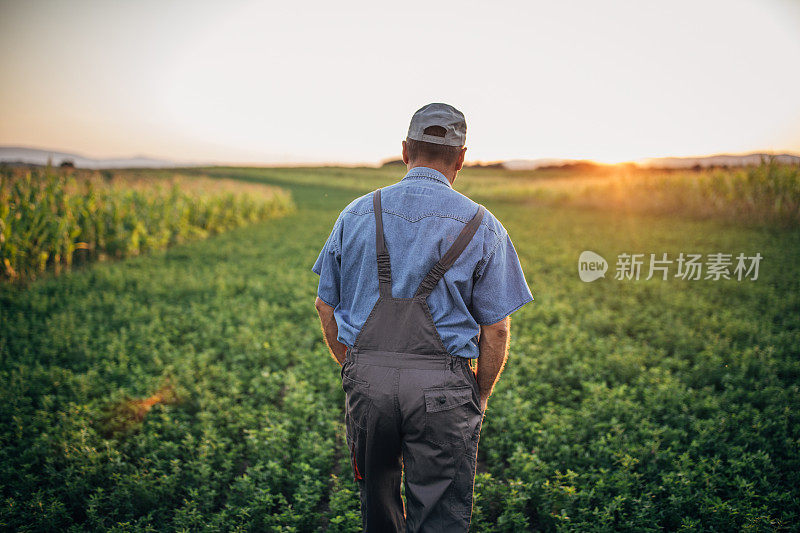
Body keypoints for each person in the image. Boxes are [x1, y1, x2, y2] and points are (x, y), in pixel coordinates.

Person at [312, 103, 533, 532]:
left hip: (368, 383)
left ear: (404, 150)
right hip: (444, 392)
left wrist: (357, 368)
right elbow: (497, 328)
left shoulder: (356, 213)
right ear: (462, 158)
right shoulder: (483, 225)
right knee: (439, 514)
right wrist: (480, 394)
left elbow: (325, 305)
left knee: (377, 500)